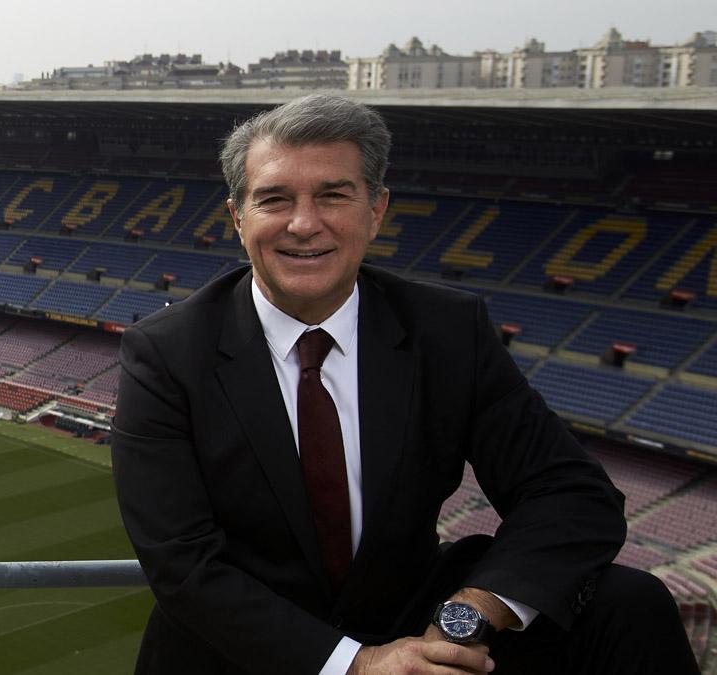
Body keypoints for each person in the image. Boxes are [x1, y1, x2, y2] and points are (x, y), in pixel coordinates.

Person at [110, 94, 698, 674]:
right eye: (274, 200)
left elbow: (572, 493)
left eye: (334, 195)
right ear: (238, 218)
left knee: (630, 603)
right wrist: (358, 666)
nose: (304, 223)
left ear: (376, 210)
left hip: (415, 618)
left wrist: (468, 614)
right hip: (245, 649)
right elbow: (185, 567)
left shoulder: (446, 329)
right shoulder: (165, 353)